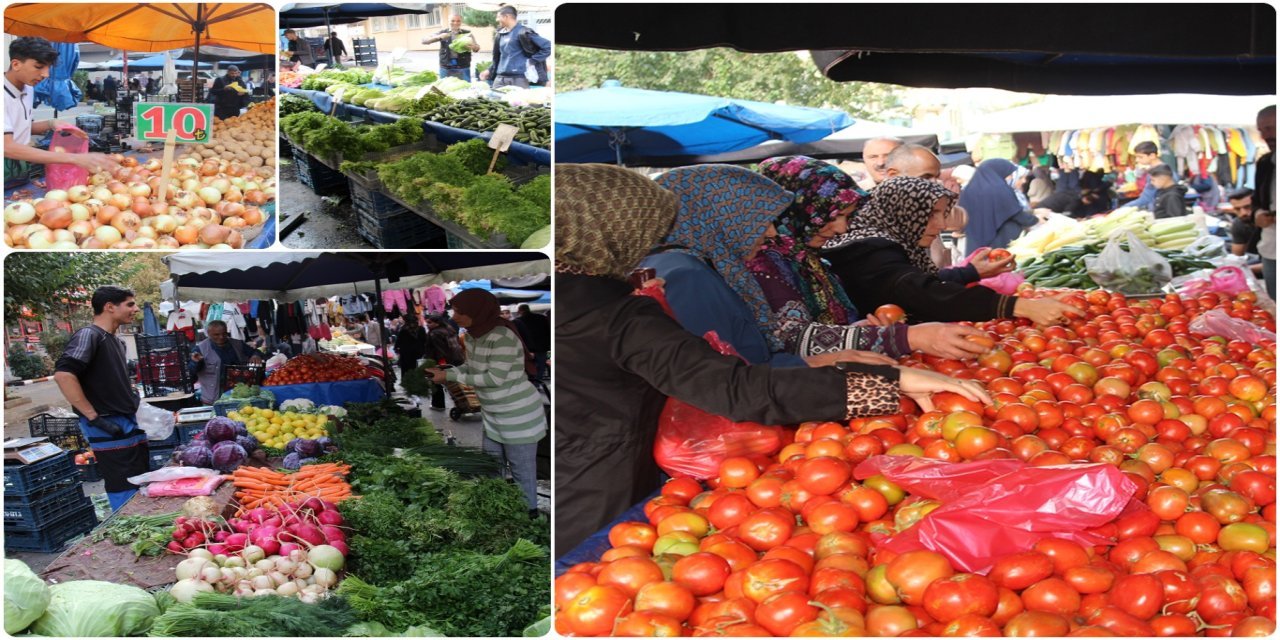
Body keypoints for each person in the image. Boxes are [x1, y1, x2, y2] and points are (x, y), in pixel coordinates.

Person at [554, 163, 992, 552]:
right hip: (600, 478)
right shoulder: (621, 310)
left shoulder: (576, 292)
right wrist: (884, 386)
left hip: (581, 460)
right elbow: (738, 388)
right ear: (617, 231)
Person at [639, 164, 888, 369]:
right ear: (722, 218)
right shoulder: (687, 276)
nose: (771, 233)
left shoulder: (704, 266)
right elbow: (721, 380)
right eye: (760, 222)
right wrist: (820, 362)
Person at [751, 155, 991, 361]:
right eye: (833, 216)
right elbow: (790, 340)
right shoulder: (764, 262)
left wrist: (860, 330)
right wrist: (904, 337)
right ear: (796, 208)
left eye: (846, 217)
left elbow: (827, 330)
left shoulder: (810, 259)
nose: (841, 229)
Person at [824, 176, 1080, 324]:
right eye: (931, 214)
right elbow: (918, 291)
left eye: (943, 214)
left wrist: (971, 272)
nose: (942, 224)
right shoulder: (868, 249)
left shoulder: (879, 240)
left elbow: (915, 282)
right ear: (900, 211)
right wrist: (1017, 306)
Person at [423, 290, 547, 513]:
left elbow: (494, 378)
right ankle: (495, 510)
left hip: (518, 416)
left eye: (459, 312)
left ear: (476, 312)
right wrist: (446, 370)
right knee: (490, 467)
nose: (454, 316)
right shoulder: (471, 335)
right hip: (493, 414)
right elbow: (473, 367)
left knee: (521, 471)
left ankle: (529, 514)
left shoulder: (502, 337)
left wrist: (450, 376)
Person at [52, 287, 147, 511]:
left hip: (126, 420)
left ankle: (139, 519)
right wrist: (93, 418)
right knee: (122, 482)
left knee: (137, 477)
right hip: (106, 422)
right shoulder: (89, 335)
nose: (135, 309)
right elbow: (64, 375)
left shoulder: (117, 341)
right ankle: (127, 527)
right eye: (130, 304)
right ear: (110, 307)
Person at [883, 146, 1012, 279]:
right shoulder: (879, 221)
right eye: (926, 177)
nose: (934, 184)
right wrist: (970, 272)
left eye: (936, 177)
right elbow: (913, 284)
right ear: (894, 175)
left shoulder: (932, 203)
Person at [5, 37, 118, 187]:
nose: (45, 74)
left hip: (20, 168)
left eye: (47, 68)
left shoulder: (28, 89)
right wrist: (74, 158)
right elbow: (7, 147)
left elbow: (20, 127)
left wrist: (52, 123)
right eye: (39, 67)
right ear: (16, 64)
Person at [958, 158, 1041, 250]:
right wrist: (1037, 220)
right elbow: (1016, 214)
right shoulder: (999, 188)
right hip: (1000, 241)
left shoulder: (967, 191)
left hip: (975, 243)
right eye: (1008, 175)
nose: (1009, 178)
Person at [191, 320, 263, 405]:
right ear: (208, 333)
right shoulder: (200, 349)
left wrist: (255, 355)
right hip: (213, 399)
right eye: (216, 335)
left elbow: (255, 352)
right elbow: (191, 373)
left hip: (239, 394)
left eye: (224, 333)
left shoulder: (237, 344)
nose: (221, 337)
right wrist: (195, 362)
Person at [482, 6, 550, 89]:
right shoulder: (500, 35)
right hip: (500, 78)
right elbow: (499, 57)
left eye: (498, 17)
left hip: (519, 79)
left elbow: (547, 46)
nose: (497, 20)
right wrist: (489, 70)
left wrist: (532, 61)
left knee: (520, 102)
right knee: (495, 100)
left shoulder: (524, 32)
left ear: (506, 16)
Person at [1253, 105, 1276, 299]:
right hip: (1271, 249)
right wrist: (1258, 214)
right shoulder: (1265, 162)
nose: (1266, 136)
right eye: (1262, 131)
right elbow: (1257, 201)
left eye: (1270, 128)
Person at [422, 314, 465, 410]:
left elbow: (439, 350)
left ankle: (438, 404)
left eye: (430, 322)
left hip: (441, 360)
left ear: (437, 323)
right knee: (456, 383)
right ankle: (464, 402)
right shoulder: (450, 330)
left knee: (435, 381)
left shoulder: (434, 333)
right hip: (457, 359)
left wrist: (439, 363)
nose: (427, 324)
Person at [422, 13, 481, 81]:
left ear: (461, 22)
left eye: (458, 21)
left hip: (463, 66)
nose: (455, 23)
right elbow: (424, 41)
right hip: (446, 66)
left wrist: (474, 47)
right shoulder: (442, 32)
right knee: (445, 89)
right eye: (452, 21)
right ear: (448, 21)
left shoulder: (467, 33)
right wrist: (439, 37)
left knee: (465, 88)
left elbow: (477, 48)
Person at [514, 304, 551, 380]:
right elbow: (548, 331)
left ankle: (531, 382)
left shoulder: (518, 321)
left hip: (527, 348)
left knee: (528, 367)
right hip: (542, 347)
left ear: (520, 311)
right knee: (541, 367)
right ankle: (537, 383)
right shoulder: (542, 318)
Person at [1126, 141, 1163, 210]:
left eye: (1140, 157)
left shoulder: (1158, 172)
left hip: (1161, 213)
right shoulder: (1158, 169)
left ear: (1152, 156)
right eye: (1136, 157)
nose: (1137, 160)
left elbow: (1146, 198)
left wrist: (1122, 208)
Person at [394, 315, 427, 389]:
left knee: (406, 368)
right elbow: (425, 340)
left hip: (406, 352)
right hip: (418, 352)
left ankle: (407, 383)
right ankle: (417, 382)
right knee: (417, 367)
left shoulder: (404, 329)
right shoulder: (421, 329)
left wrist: (396, 348)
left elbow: (398, 341)